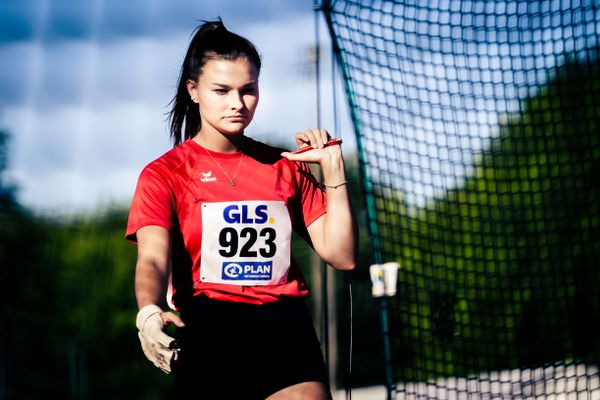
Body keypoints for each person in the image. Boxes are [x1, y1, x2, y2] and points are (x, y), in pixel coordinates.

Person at [126, 19, 357, 400]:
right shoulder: (163, 174)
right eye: (222, 90)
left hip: (285, 331)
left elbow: (343, 255)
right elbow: (152, 260)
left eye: (248, 90)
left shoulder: (285, 165)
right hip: (208, 335)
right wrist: (148, 311)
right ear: (194, 90)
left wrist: (333, 168)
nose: (237, 102)